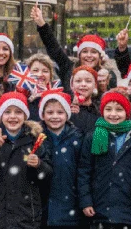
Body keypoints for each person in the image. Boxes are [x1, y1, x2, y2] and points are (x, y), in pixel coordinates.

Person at [78, 90, 131, 228]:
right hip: (100, 207)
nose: (113, 114)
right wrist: (86, 201)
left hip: (128, 209)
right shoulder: (94, 136)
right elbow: (84, 171)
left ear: (127, 112)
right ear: (102, 111)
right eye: (108, 109)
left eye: (119, 110)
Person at [0, 93, 52, 229]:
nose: (13, 116)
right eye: (7, 112)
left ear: (25, 116)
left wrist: (39, 165)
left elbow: (47, 176)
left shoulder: (35, 141)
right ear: (0, 116)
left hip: (26, 216)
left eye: (18, 112)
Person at [32, 6, 114, 92]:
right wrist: (41, 24)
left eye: (93, 52)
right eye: (85, 51)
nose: (89, 55)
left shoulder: (108, 75)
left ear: (100, 56)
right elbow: (53, 47)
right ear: (79, 55)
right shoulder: (68, 68)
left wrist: (103, 86)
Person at [39, 90, 83, 229]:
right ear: (43, 115)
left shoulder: (78, 137)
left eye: (60, 112)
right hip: (43, 206)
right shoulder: (36, 138)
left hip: (71, 202)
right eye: (50, 113)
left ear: (67, 114)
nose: (55, 117)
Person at [69, 66, 100, 134]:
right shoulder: (65, 110)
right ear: (72, 85)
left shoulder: (101, 110)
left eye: (88, 81)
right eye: (78, 81)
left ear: (95, 85)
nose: (83, 84)